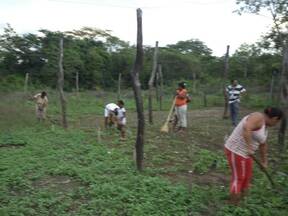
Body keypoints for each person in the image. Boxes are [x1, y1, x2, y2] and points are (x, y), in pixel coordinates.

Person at [224, 107, 283, 205]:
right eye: (277, 122)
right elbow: (246, 128)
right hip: (236, 151)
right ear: (275, 118)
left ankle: (241, 202)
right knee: (238, 178)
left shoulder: (265, 127)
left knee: (247, 177)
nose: (276, 124)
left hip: (247, 154)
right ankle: (232, 205)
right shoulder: (258, 117)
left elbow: (263, 144)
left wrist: (264, 162)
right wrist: (249, 147)